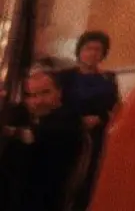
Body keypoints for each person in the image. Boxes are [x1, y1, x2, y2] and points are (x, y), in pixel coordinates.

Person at [0, 69, 86, 211]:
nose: (38, 101)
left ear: (59, 92)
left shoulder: (68, 118)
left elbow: (36, 135)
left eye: (45, 92)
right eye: (31, 95)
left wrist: (10, 131)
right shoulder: (31, 116)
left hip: (37, 200)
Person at [55, 31, 121, 209]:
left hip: (96, 137)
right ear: (79, 50)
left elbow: (114, 107)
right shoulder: (64, 76)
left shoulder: (108, 78)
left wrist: (100, 118)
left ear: (103, 53)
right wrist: (78, 120)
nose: (92, 53)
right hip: (67, 133)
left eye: (98, 50)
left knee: (88, 180)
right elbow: (56, 105)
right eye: (88, 48)